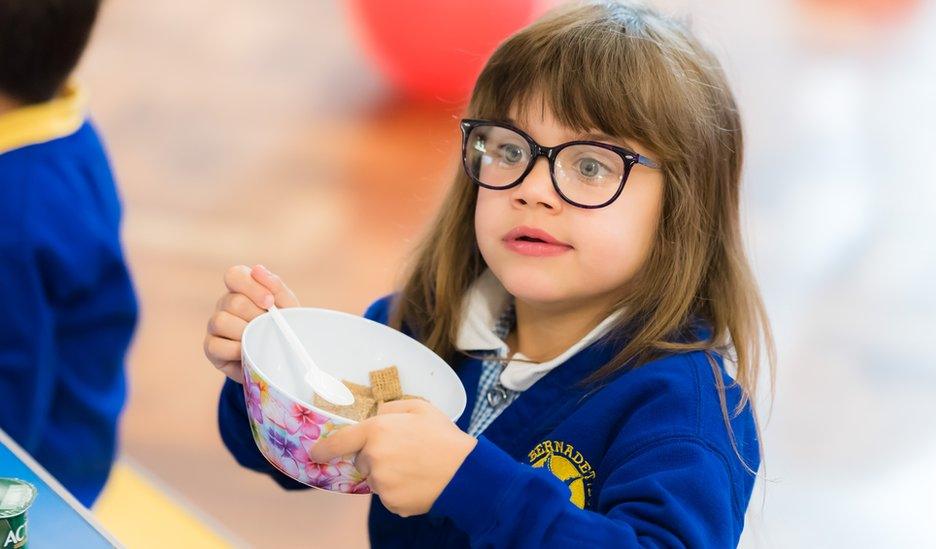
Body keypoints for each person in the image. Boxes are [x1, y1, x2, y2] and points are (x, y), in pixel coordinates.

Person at [205, 1, 774, 546]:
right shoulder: (424, 325)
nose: (532, 189)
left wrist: (471, 483)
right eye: (508, 150)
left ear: (681, 207)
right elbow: (311, 457)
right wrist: (268, 381)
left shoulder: (685, 410)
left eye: (592, 165)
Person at [0, 0, 138, 507]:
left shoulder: (11, 219)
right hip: (77, 426)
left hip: (36, 484)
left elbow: (10, 405)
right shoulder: (63, 122)